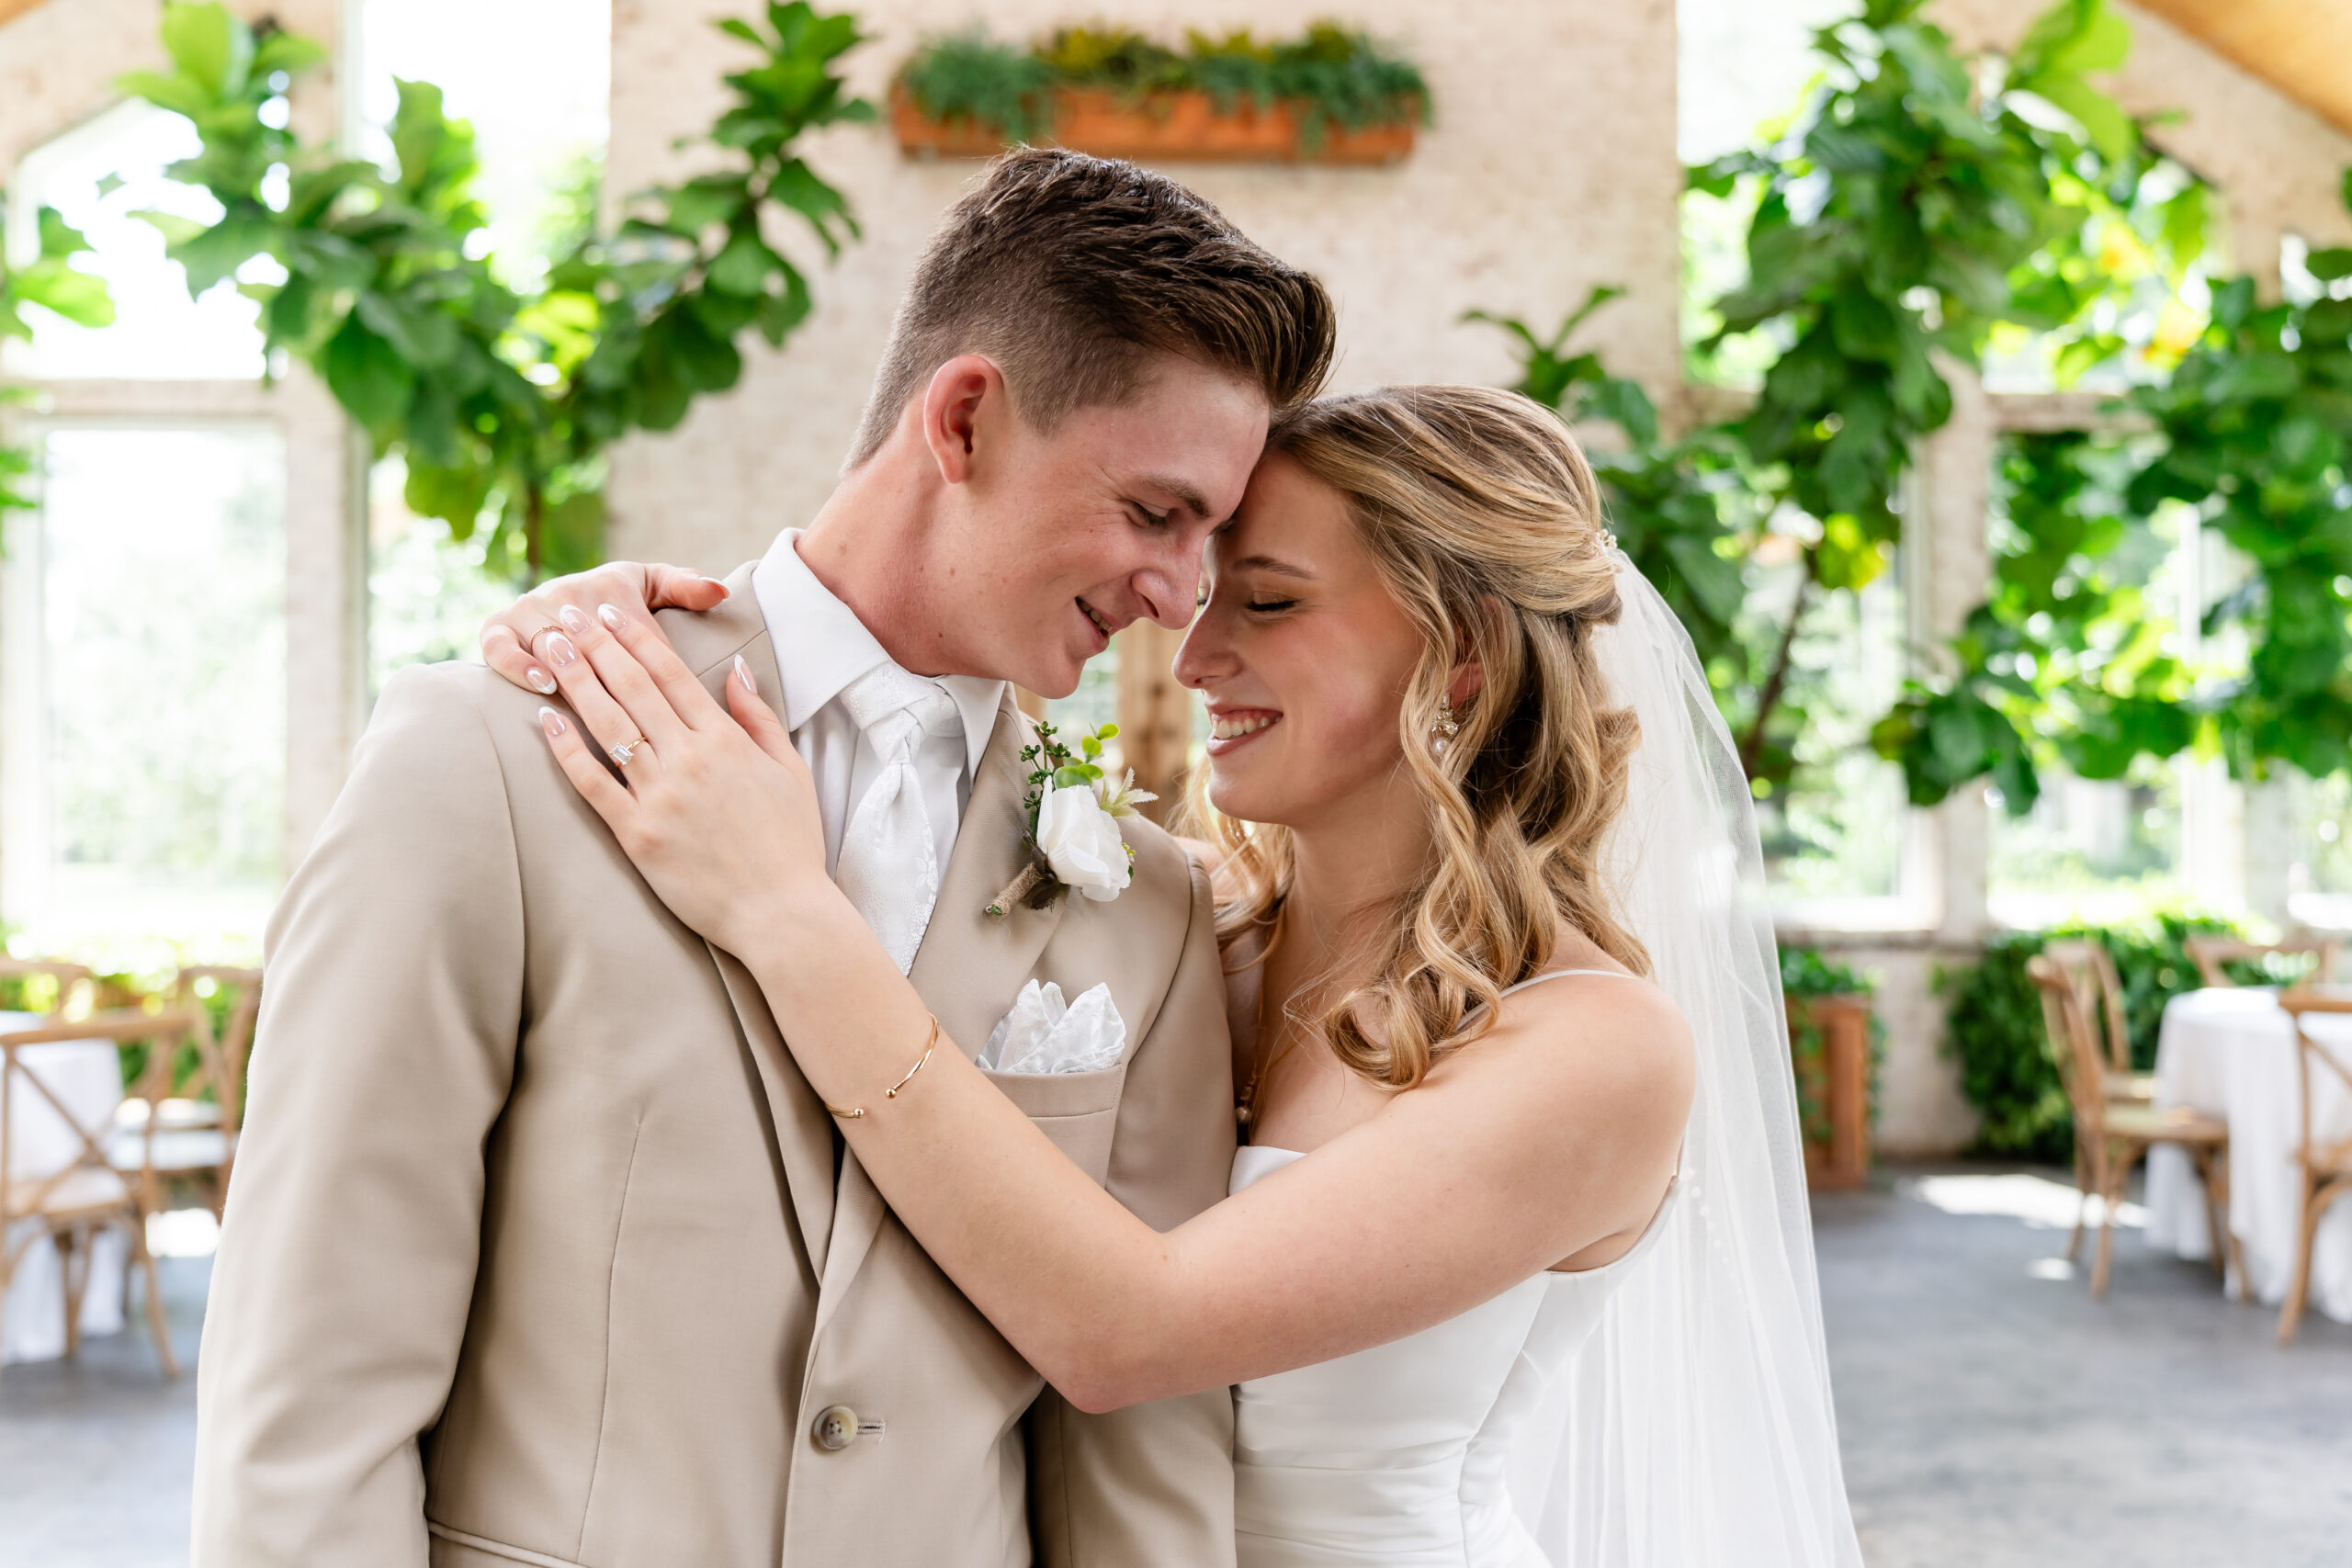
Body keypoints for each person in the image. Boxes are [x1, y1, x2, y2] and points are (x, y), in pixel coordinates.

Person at [481, 386, 1866, 1565]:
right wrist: (625, 645)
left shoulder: (1593, 1051)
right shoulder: (1169, 926)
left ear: (1466, 660)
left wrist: (785, 911)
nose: (1195, 657)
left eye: (1266, 602)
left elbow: (1126, 1330)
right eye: (1206, 600)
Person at [193, 148, 1333, 1568]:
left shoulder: (1145, 899)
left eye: (1213, 540)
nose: (1178, 596)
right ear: (966, 421)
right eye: (1157, 512)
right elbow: (312, 1392)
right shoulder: (486, 759)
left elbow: (1139, 1459)